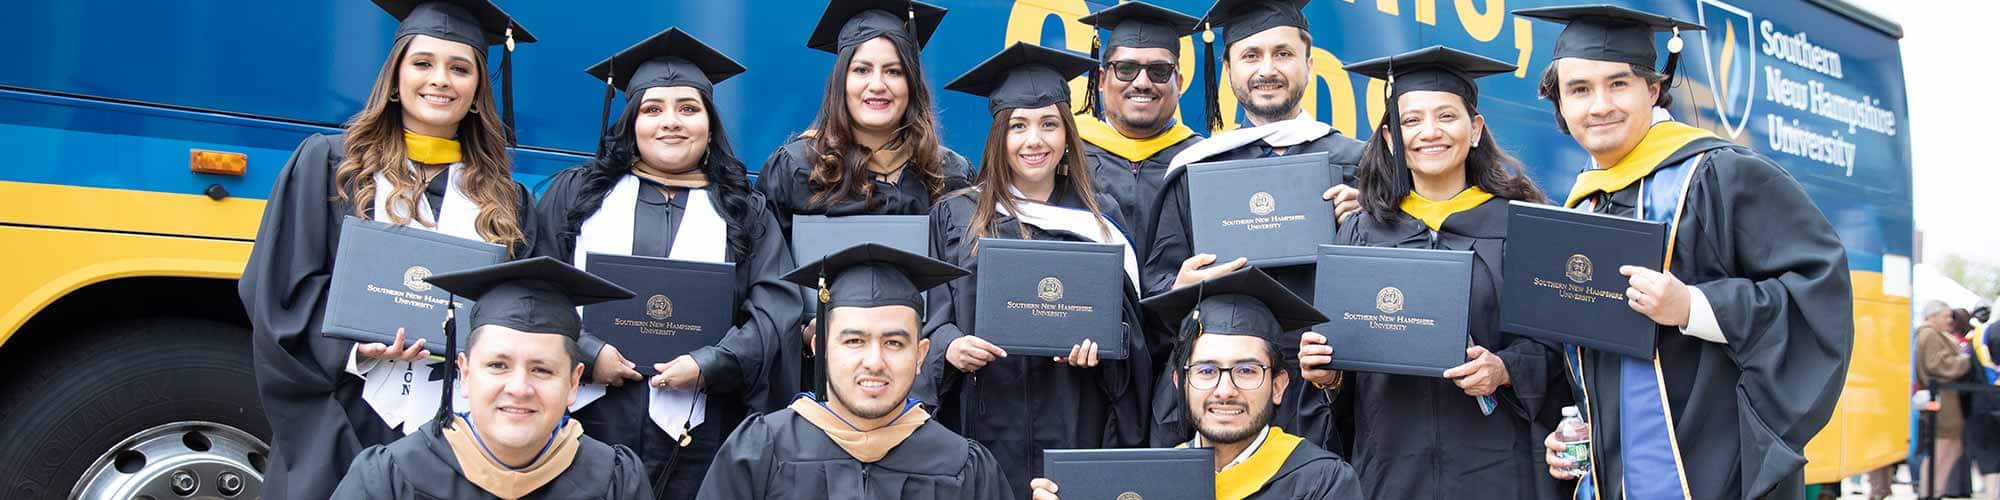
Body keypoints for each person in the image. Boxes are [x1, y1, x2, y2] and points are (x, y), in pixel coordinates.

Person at [1517, 5, 1855, 499]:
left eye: (1619, 84)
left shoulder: (1724, 176)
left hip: (1710, 472)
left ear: (1653, 90)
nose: (1599, 105)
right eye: (1579, 90)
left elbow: (1816, 295)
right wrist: (1573, 431)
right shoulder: (1584, 204)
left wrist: (1693, 307)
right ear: (1561, 105)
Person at [239, 1, 537, 497]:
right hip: (345, 408)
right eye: (423, 63)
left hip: (459, 427)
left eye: (459, 68)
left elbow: (521, 312)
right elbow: (278, 290)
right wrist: (352, 345)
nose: (440, 80)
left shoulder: (507, 199)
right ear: (395, 78)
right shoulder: (330, 166)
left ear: (478, 93)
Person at [531, 28, 806, 497]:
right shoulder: (578, 195)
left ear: (710, 124)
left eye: (688, 109)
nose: (670, 122)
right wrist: (588, 351)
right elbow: (536, 286)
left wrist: (712, 363)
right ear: (631, 121)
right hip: (585, 416)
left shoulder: (743, 210)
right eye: (652, 109)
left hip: (702, 427)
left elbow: (774, 310)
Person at [1295, 46, 1565, 499]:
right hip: (1390, 469)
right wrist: (1327, 374)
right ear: (1388, 138)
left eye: (1446, 116)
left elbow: (1561, 348)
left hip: (1499, 468)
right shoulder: (1363, 230)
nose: (1429, 132)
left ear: (1475, 129)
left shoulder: (1521, 225)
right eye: (1411, 121)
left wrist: (1505, 368)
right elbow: (1342, 358)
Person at [925, 42, 1155, 498]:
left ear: (1067, 134)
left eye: (1049, 124)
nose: (1035, 140)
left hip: (1075, 415)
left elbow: (1136, 334)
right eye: (1018, 126)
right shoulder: (958, 216)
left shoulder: (1100, 218)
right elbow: (930, 316)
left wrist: (1106, 347)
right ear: (998, 137)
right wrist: (949, 347)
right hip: (982, 417)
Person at [1141, 0, 1359, 450]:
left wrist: (1369, 226)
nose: (1267, 69)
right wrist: (1179, 284)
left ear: (1309, 64)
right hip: (1223, 392)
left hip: (1326, 388)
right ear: (1228, 70)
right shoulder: (1196, 169)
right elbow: (1157, 283)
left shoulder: (1359, 165)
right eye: (1251, 55)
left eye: (1283, 54)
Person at [696, 244, 1014, 500]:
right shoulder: (759, 451)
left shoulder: (964, 466)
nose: (874, 361)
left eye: (893, 343)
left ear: (920, 355)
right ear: (821, 349)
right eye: (854, 341)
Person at [331, 257, 652, 499]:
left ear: (572, 382)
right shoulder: (388, 478)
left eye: (542, 369)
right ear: (465, 373)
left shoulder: (616, 482)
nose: (518, 388)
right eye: (498, 365)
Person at [1032, 267, 1360, 499]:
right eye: (1206, 371)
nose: (1225, 390)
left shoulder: (1322, 483)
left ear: (1278, 385)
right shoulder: (1150, 482)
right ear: (1180, 383)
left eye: (1246, 370)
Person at [756, 0, 972, 238]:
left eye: (894, 71)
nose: (877, 85)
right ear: (841, 81)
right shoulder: (797, 168)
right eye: (862, 70)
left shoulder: (949, 175)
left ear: (911, 84)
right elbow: (768, 267)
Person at [1073, 1, 1204, 264]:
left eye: (1159, 71)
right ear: (1101, 80)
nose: (1142, 83)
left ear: (1178, 83)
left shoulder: (1202, 161)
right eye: (1126, 69)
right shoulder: (1067, 156)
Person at [1914, 301, 1973, 497]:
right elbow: (1936, 365)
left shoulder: (1934, 334)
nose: (1950, 320)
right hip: (1942, 399)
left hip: (1947, 398)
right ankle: (1929, 491)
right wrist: (1965, 359)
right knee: (1941, 446)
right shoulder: (1929, 334)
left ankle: (1935, 489)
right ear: (1932, 317)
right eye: (1945, 316)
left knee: (1951, 445)